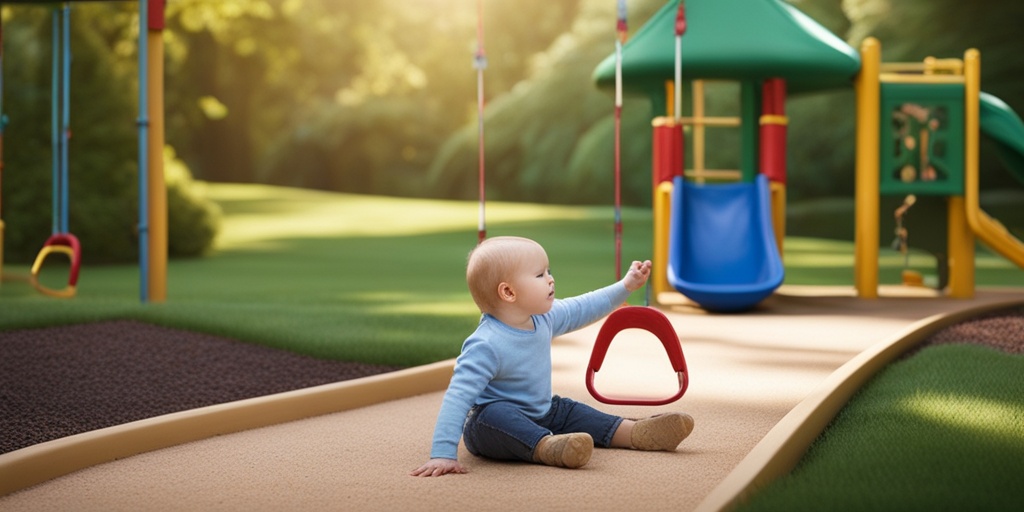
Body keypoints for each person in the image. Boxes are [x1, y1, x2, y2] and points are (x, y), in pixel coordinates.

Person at [411, 236, 694, 477]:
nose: (551, 279)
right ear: (508, 292)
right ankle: (548, 448)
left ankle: (635, 433)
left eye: (548, 271)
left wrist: (625, 286)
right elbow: (458, 397)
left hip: (543, 412)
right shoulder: (486, 344)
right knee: (497, 414)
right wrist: (443, 453)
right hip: (489, 425)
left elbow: (583, 306)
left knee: (570, 410)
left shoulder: (542, 318)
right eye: (540, 275)